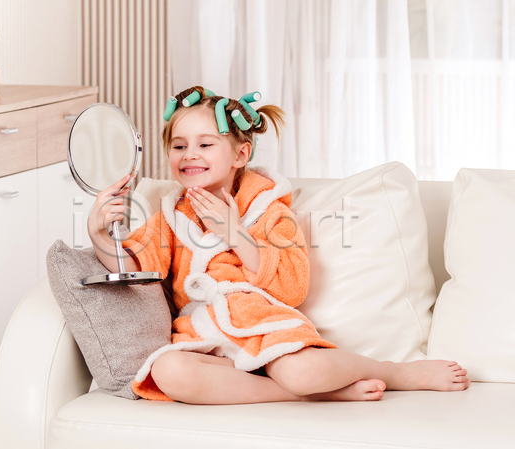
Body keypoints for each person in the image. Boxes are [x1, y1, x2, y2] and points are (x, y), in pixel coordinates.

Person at [88, 86, 470, 404]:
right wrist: (99, 235)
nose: (189, 155)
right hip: (206, 338)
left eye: (205, 144)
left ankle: (395, 372)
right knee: (168, 371)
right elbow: (134, 268)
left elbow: (291, 286)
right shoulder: (170, 216)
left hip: (264, 329)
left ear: (240, 154)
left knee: (303, 371)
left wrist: (233, 232)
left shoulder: (269, 210)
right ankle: (312, 395)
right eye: (178, 146)